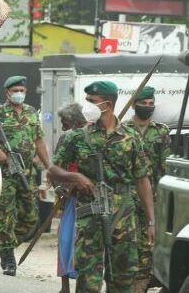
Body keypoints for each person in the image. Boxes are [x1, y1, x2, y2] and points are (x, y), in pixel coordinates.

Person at [50, 81, 155, 293]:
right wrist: (75, 176)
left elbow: (142, 180)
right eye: (87, 100)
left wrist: (151, 221)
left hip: (123, 217)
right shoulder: (77, 136)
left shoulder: (131, 137)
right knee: (88, 281)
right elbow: (53, 171)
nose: (86, 105)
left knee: (122, 279)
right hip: (90, 216)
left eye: (92, 101)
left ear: (108, 103)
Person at [0, 75, 53, 276]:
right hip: (5, 175)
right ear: (7, 93)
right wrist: (0, 154)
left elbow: (39, 141)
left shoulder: (31, 113)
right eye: (15, 91)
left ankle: (6, 247)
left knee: (31, 219)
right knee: (7, 218)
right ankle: (8, 259)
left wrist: (48, 166)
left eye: (22, 90)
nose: (19, 94)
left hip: (27, 174)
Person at [123, 86, 171, 293]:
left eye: (151, 104)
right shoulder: (122, 129)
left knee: (147, 243)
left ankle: (141, 284)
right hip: (125, 197)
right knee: (124, 241)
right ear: (134, 105)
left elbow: (164, 166)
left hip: (151, 197)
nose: (148, 107)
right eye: (144, 104)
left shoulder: (161, 131)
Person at [53, 103, 87, 293]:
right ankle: (64, 287)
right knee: (65, 240)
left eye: (65, 120)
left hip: (87, 198)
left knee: (83, 243)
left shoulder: (91, 136)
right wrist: (60, 188)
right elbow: (55, 168)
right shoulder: (66, 138)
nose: (62, 124)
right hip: (70, 198)